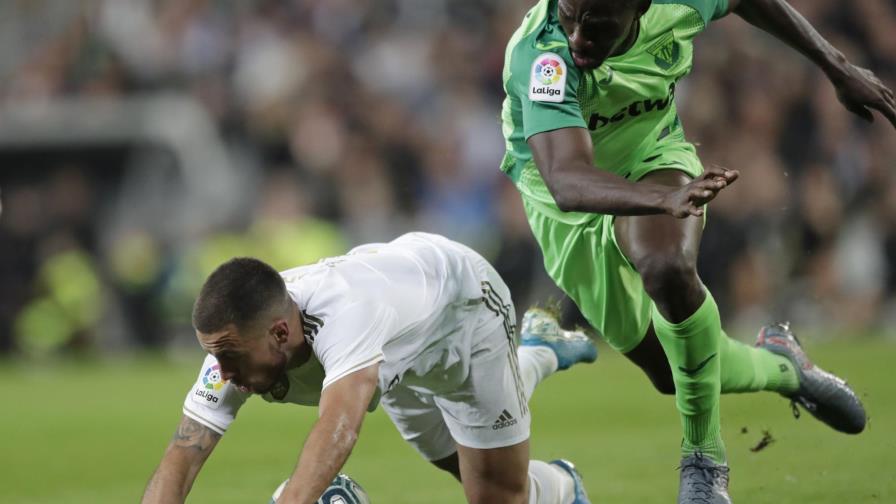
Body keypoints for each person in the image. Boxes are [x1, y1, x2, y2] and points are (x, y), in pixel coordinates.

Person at [499, 0, 890, 502]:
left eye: (595, 25)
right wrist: (662, 199)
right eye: (570, 17)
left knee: (666, 266)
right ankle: (783, 366)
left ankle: (704, 463)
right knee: (672, 373)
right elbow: (567, 181)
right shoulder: (543, 55)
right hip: (564, 204)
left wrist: (837, 67)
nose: (577, 38)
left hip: (652, 155)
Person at [142, 232, 597, 504]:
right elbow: (183, 452)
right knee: (459, 462)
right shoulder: (238, 339)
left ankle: (560, 475)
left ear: (281, 334)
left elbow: (338, 425)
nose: (219, 371)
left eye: (229, 357)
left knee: (497, 495)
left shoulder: (347, 314)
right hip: (392, 348)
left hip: (464, 314)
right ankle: (538, 351)